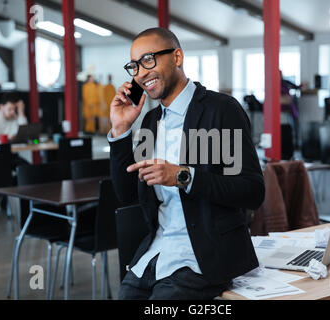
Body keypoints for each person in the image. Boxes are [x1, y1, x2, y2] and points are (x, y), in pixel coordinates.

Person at [108, 27, 265, 300]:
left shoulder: (222, 110)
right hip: (155, 253)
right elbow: (127, 195)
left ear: (177, 57)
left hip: (203, 257)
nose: (140, 73)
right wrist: (121, 130)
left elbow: (252, 192)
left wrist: (183, 176)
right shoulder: (150, 122)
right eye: (134, 66)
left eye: (148, 60)